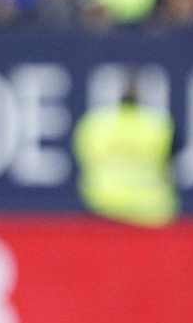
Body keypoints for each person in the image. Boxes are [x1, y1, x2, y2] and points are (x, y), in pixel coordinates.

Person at [72, 72, 178, 227]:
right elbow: (173, 160)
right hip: (148, 211)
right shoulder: (156, 125)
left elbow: (82, 156)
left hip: (102, 205)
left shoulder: (96, 124)